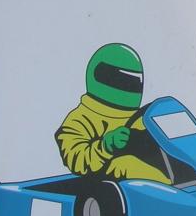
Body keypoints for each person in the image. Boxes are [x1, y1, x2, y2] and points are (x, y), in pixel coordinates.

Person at [54, 43, 169, 183]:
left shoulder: (140, 119)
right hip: (100, 184)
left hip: (143, 182)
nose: (127, 86)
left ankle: (181, 185)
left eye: (132, 81)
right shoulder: (79, 120)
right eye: (122, 80)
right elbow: (76, 159)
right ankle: (170, 189)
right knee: (125, 164)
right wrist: (105, 146)